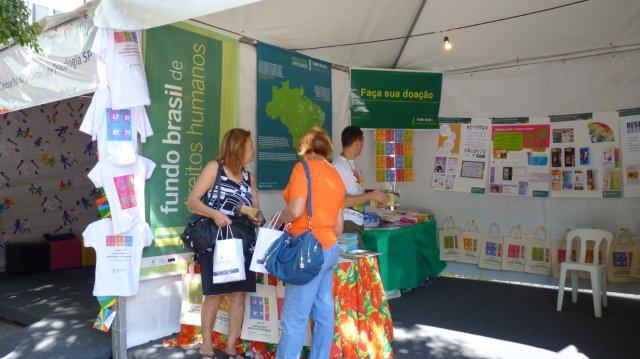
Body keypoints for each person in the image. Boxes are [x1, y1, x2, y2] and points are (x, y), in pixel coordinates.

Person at [187, 128, 264, 359]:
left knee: (238, 295)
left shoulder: (249, 177)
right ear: (238, 148)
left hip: (243, 242)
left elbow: (256, 209)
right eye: (250, 146)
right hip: (217, 242)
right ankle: (207, 344)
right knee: (214, 295)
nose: (253, 150)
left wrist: (257, 217)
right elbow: (192, 201)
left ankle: (231, 346)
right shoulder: (215, 168)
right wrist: (214, 214)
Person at [276, 127, 346, 359]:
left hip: (307, 251)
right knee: (324, 313)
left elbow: (295, 209)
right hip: (329, 248)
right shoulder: (335, 175)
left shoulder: (302, 168)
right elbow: (339, 227)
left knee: (293, 319)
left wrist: (281, 219)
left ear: (305, 148)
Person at [332, 126, 388, 247]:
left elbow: (357, 194)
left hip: (355, 223)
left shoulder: (351, 164)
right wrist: (371, 195)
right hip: (346, 225)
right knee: (360, 264)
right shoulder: (338, 167)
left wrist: (374, 198)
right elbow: (339, 202)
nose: (363, 146)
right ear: (357, 141)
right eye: (363, 142)